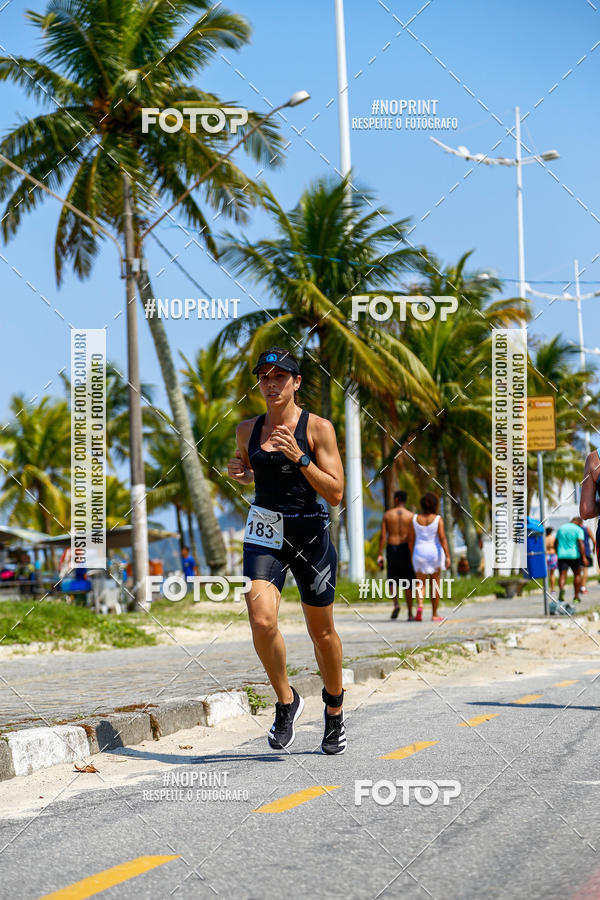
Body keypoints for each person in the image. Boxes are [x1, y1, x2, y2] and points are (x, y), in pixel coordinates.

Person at [227, 347, 346, 755]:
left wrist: (300, 458)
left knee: (322, 631)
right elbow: (248, 468)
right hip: (265, 532)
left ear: (296, 382)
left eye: (280, 376)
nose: (272, 383)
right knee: (261, 621)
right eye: (264, 377)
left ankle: (334, 709)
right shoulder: (248, 429)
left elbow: (335, 492)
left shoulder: (318, 429)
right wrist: (241, 472)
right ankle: (285, 701)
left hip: (310, 533)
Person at [407, 492, 451, 622]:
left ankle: (420, 605)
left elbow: (410, 540)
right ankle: (434, 613)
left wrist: (412, 555)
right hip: (434, 553)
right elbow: (442, 538)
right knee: (435, 584)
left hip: (419, 552)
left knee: (420, 583)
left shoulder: (414, 519)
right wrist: (448, 556)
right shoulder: (437, 519)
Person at [377, 490, 415, 620]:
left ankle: (396, 604)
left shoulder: (388, 515)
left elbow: (383, 536)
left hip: (392, 547)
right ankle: (410, 613)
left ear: (397, 499)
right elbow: (413, 537)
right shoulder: (411, 516)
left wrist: (380, 554)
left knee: (392, 579)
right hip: (406, 549)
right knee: (408, 581)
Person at [555, 517, 586, 605]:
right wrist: (584, 557)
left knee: (562, 575)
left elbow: (555, 543)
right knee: (577, 575)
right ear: (578, 523)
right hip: (574, 555)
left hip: (562, 555)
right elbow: (581, 543)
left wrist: (558, 552)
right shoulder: (578, 529)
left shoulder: (561, 528)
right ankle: (576, 597)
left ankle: (561, 591)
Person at [573, 517, 596, 594]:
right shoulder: (587, 529)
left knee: (578, 571)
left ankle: (579, 587)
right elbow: (594, 541)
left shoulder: (575, 530)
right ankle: (583, 587)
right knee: (585, 570)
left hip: (577, 553)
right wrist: (593, 549)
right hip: (586, 552)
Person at [545, 527, 558, 594]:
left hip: (546, 555)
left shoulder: (544, 539)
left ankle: (546, 588)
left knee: (546, 573)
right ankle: (552, 589)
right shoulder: (553, 538)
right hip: (553, 555)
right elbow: (556, 546)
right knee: (552, 573)